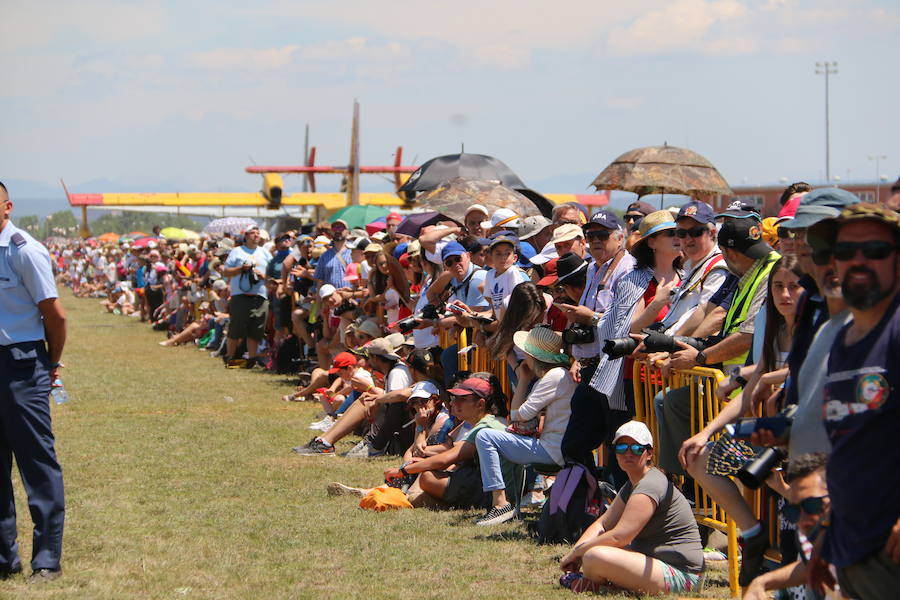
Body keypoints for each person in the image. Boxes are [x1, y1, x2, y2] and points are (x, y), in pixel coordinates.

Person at [809, 203, 900, 599]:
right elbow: (851, 446)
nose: (858, 261)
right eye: (846, 252)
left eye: (876, 250)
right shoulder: (845, 339)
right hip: (854, 548)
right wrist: (826, 539)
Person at [0, 181, 67, 583]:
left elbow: (55, 316)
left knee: (36, 465)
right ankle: (5, 559)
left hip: (22, 363)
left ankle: (46, 559)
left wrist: (50, 363)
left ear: (6, 207)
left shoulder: (25, 250)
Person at [558, 421, 703, 595]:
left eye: (636, 448)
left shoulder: (651, 484)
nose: (628, 453)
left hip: (684, 577)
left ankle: (598, 584)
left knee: (593, 556)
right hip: (658, 564)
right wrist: (576, 552)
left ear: (649, 454)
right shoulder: (633, 483)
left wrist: (578, 553)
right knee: (593, 554)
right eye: (621, 448)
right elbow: (602, 524)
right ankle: (599, 583)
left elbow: (621, 536)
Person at [474, 326, 574, 526]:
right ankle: (511, 506)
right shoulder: (556, 375)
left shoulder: (554, 376)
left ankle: (501, 504)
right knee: (500, 438)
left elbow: (519, 415)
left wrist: (523, 380)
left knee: (485, 436)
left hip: (552, 450)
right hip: (555, 447)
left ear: (533, 356)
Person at [743, 453, 830, 600]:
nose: (802, 522)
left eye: (811, 506)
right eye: (793, 511)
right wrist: (761, 582)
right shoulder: (812, 537)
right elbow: (811, 565)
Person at [222, 226, 271, 368]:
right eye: (252, 233)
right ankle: (230, 357)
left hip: (260, 296)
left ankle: (251, 359)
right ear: (245, 236)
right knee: (235, 328)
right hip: (240, 295)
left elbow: (273, 274)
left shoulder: (265, 253)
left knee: (256, 330)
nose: (255, 236)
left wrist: (263, 276)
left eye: (257, 233)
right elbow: (226, 272)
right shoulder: (236, 252)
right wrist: (241, 269)